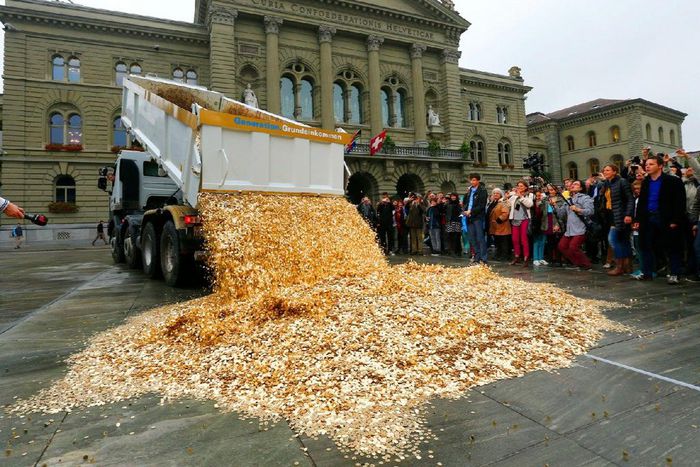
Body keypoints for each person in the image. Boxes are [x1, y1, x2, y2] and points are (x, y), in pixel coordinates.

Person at [633, 154, 687, 284]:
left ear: (661, 166)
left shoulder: (673, 181)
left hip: (666, 218)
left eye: (651, 164)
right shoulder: (645, 182)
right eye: (646, 165)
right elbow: (641, 203)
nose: (647, 166)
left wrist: (675, 220)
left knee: (672, 246)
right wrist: (638, 220)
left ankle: (674, 273)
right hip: (648, 217)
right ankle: (647, 273)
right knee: (644, 245)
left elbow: (680, 202)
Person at [600, 164, 635, 276]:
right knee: (623, 241)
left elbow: (630, 199)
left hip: (620, 214)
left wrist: (628, 214)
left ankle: (620, 266)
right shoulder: (606, 184)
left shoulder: (622, 182)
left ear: (615, 172)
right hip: (610, 214)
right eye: (604, 170)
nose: (605, 172)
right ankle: (627, 266)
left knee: (613, 239)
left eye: (608, 170)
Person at [554, 180, 594, 270]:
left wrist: (578, 209)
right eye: (572, 184)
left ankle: (586, 264)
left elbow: (590, 211)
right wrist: (555, 206)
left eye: (576, 184)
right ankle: (577, 263)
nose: (573, 185)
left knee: (573, 246)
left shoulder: (585, 198)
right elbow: (561, 215)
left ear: (581, 188)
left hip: (581, 227)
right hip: (570, 228)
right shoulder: (568, 199)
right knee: (562, 246)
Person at [463, 174, 488, 264]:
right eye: (471, 180)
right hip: (469, 217)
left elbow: (481, 206)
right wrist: (465, 211)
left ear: (478, 181)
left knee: (480, 238)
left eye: (474, 180)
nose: (472, 182)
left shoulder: (482, 191)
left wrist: (471, 211)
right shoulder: (469, 191)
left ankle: (483, 258)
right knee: (472, 238)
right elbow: (466, 203)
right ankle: (477, 257)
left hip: (477, 217)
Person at [507, 180, 534, 266]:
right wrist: (506, 198)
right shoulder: (514, 197)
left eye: (521, 186)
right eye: (518, 186)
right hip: (515, 219)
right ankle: (517, 256)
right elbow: (507, 203)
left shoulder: (529, 195)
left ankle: (526, 257)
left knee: (524, 239)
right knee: (515, 239)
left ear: (526, 187)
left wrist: (521, 197)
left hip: (524, 219)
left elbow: (530, 204)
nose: (519, 187)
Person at [487, 188, 511, 261]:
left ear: (500, 194)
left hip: (502, 225)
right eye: (494, 193)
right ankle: (499, 255)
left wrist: (498, 220)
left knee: (503, 242)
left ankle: (504, 256)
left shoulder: (503, 202)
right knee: (497, 242)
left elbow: (505, 213)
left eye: (497, 193)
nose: (495, 194)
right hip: (495, 226)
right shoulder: (493, 203)